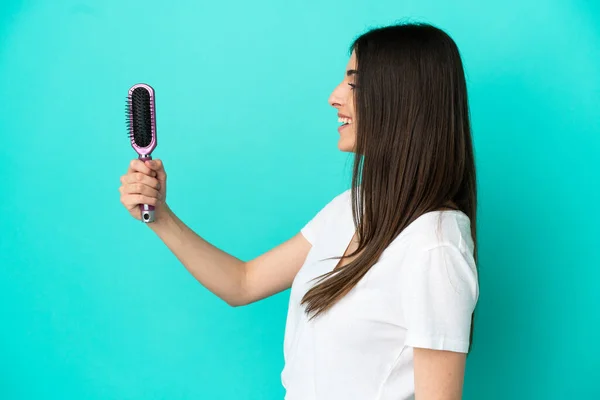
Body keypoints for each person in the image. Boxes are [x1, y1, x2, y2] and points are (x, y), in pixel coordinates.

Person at [118, 22, 479, 400]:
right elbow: (243, 282)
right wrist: (161, 216)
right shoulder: (352, 208)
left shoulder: (435, 246)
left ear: (404, 99)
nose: (334, 97)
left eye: (355, 83)